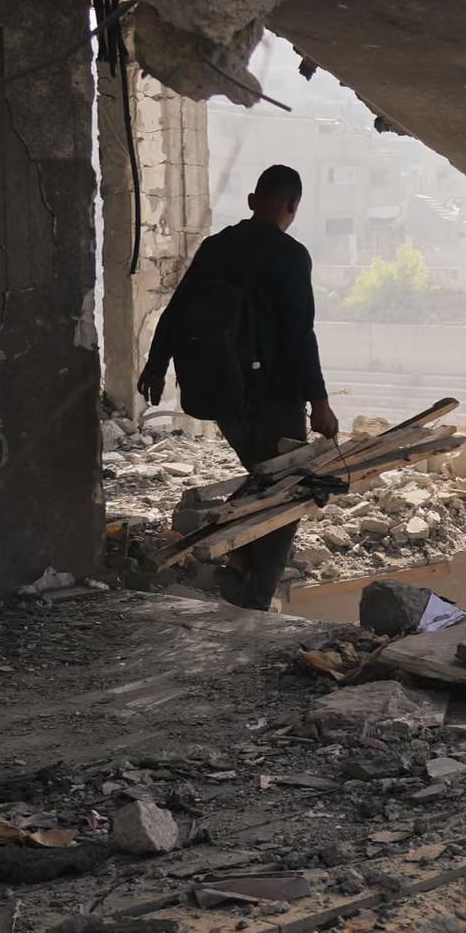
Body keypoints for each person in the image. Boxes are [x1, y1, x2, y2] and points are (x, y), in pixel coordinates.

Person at [139, 165, 339, 608]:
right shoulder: (291, 255)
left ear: (252, 201)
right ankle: (254, 596)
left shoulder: (216, 248)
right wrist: (319, 402)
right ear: (293, 206)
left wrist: (156, 366)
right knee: (288, 497)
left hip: (221, 392)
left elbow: (177, 311)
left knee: (267, 481)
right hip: (274, 395)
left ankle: (241, 560)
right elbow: (299, 333)